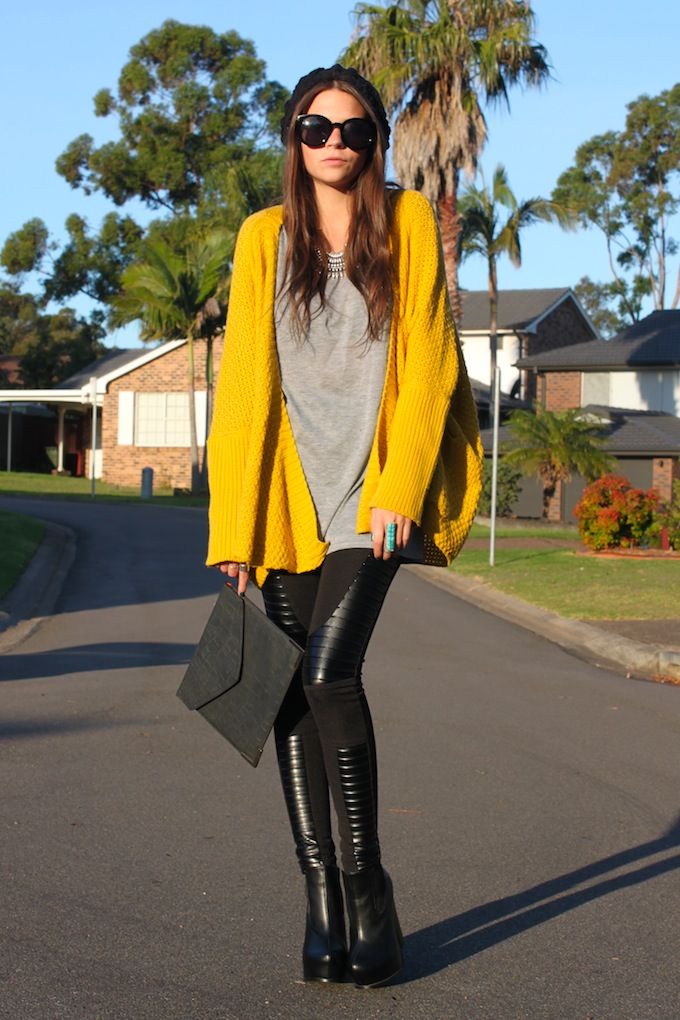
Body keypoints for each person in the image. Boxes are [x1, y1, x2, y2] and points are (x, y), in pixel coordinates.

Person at [206, 64, 482, 988]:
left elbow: (431, 359)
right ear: (293, 136)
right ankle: (319, 898)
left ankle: (368, 887)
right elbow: (245, 385)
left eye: (356, 130)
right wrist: (234, 526)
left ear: (377, 144)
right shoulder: (263, 237)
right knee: (288, 689)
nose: (336, 143)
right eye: (317, 128)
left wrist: (399, 486)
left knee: (329, 670)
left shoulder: (405, 222)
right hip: (290, 495)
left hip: (373, 494)